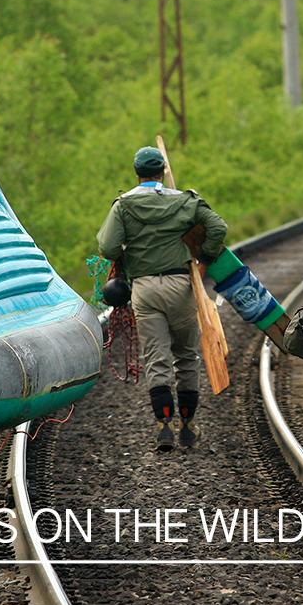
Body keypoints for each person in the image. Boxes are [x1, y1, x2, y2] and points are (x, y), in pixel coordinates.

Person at [97, 146, 228, 452]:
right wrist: (204, 261)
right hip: (183, 286)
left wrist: (130, 251)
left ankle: (163, 428)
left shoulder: (124, 205)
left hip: (144, 288)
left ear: (136, 172)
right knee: (186, 357)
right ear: (163, 171)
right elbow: (218, 227)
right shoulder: (185, 200)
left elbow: (107, 247)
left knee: (157, 359)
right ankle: (188, 428)